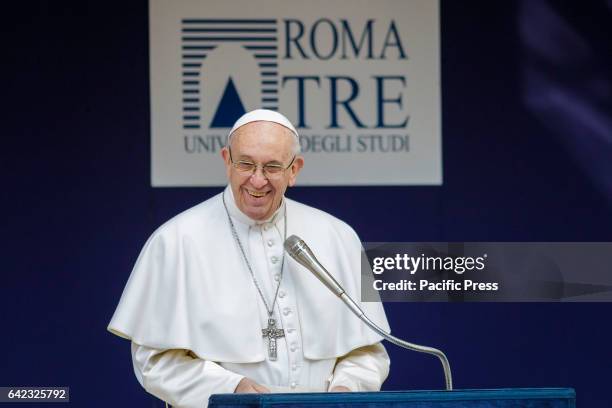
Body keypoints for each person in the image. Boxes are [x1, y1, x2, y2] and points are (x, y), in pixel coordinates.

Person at [108, 109, 391, 408]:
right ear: (226, 161)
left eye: (272, 167)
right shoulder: (176, 241)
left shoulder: (338, 235)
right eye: (245, 164)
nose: (257, 180)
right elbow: (154, 361)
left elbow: (368, 352)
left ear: (294, 170)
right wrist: (231, 390)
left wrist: (346, 391)